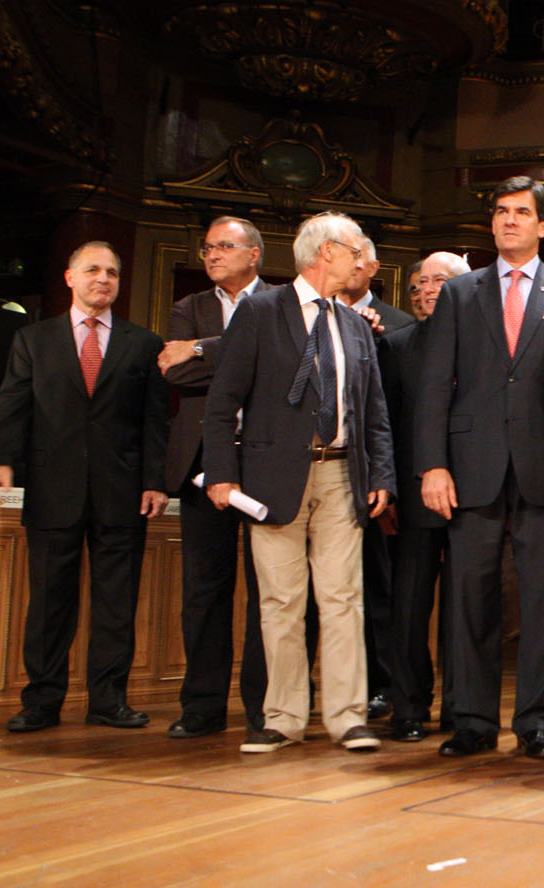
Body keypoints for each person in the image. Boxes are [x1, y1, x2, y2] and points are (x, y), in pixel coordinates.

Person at [417, 178, 544, 761]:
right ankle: (470, 720)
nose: (511, 221)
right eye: (502, 212)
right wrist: (432, 466)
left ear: (543, 225)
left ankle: (538, 723)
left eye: (523, 213)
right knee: (470, 598)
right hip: (469, 469)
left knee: (543, 601)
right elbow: (432, 390)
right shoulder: (460, 294)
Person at [203, 211, 395, 753]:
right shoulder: (260, 312)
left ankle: (347, 716)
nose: (362, 262)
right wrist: (220, 474)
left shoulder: (357, 324)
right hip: (271, 479)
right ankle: (283, 717)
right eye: (354, 251)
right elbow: (222, 403)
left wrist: (381, 473)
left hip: (340, 475)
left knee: (343, 598)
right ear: (324, 252)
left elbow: (372, 411)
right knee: (281, 602)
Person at [0, 241, 169, 733]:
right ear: (70, 278)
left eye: (111, 272)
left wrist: (155, 481)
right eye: (92, 270)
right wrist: (2, 461)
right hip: (52, 488)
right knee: (48, 605)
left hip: (123, 492)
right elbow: (12, 406)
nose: (103, 279)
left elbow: (154, 422)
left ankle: (109, 701)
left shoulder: (143, 343)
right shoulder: (34, 340)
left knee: (116, 605)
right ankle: (42, 702)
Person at [158, 216, 287, 737]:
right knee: (204, 592)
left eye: (224, 246)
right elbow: (176, 371)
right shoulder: (188, 307)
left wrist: (204, 348)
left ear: (254, 254)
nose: (211, 255)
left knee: (269, 591)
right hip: (201, 466)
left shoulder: (282, 303)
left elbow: (280, 372)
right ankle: (203, 706)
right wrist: (229, 352)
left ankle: (264, 707)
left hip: (266, 464)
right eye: (207, 247)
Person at [376, 251, 469, 742]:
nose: (425, 290)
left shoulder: (485, 343)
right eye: (417, 285)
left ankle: (462, 709)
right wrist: (387, 491)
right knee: (408, 607)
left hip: (475, 494)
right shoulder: (395, 346)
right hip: (412, 498)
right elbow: (383, 424)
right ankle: (408, 707)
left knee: (466, 609)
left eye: (438, 281)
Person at [337, 235, 411, 717]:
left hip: (380, 477)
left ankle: (381, 684)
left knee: (379, 586)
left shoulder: (400, 327)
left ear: (374, 266)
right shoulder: (307, 314)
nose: (353, 263)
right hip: (321, 470)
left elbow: (397, 409)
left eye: (360, 256)